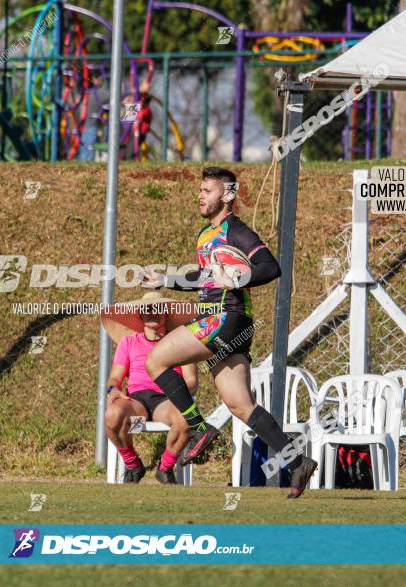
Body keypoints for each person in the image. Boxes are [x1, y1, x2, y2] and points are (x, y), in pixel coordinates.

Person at [140, 166, 319, 498]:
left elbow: (270, 266)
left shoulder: (235, 231)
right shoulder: (205, 234)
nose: (201, 195)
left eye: (208, 190)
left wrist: (237, 279)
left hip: (226, 316)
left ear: (228, 196)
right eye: (201, 190)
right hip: (230, 323)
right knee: (240, 405)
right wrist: (165, 281)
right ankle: (297, 463)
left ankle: (198, 428)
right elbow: (202, 278)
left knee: (156, 359)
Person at [101, 292, 198, 484]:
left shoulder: (182, 343)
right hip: (137, 403)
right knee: (112, 414)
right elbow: (114, 378)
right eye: (148, 308)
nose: (153, 312)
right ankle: (134, 465)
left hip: (167, 401)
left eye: (158, 308)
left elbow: (191, 381)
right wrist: (113, 391)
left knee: (187, 416)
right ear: (140, 315)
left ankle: (165, 468)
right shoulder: (128, 343)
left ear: (166, 314)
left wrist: (176, 396)